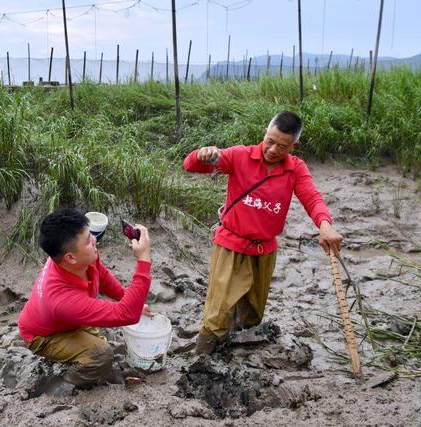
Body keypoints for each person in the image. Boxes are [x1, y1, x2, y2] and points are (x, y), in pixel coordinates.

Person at [182, 111, 343, 355]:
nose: (272, 150)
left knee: (254, 311)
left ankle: (238, 352)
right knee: (217, 311)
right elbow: (190, 165)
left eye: (282, 146)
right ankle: (202, 356)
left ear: (293, 145)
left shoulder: (295, 169)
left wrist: (325, 225)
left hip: (264, 250)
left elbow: (312, 198)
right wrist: (201, 154)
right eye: (270, 141)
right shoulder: (239, 156)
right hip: (231, 245)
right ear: (265, 134)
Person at [18, 208, 152, 389]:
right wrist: (143, 259)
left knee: (97, 345)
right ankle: (65, 386)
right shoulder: (62, 299)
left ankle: (77, 353)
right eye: (89, 240)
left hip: (64, 319)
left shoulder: (81, 257)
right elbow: (127, 315)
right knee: (101, 354)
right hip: (43, 335)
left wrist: (126, 296)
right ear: (70, 257)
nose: (95, 240)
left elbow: (102, 276)